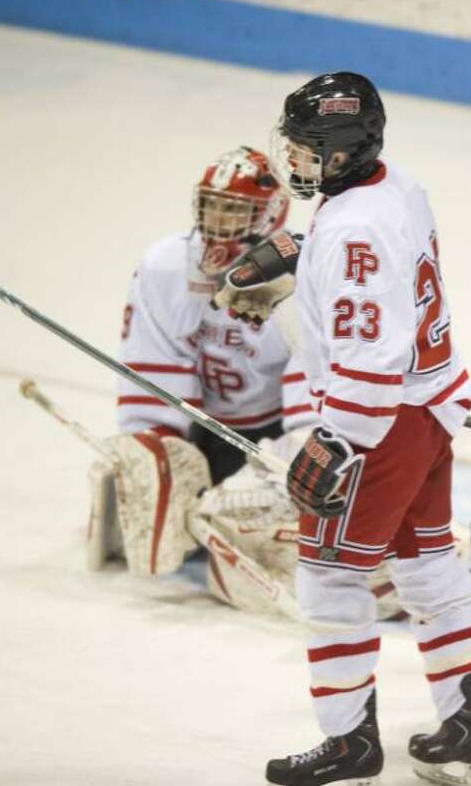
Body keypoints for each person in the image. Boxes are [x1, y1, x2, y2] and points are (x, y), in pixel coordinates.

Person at [244, 72, 471, 786]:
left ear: (343, 152)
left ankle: (350, 742)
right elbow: (369, 281)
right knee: (426, 565)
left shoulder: (354, 229)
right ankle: (464, 723)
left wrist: (339, 438)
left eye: (306, 150)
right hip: (429, 406)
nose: (293, 161)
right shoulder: (392, 188)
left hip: (381, 421)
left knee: (328, 577)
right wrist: (297, 258)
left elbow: (371, 346)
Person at [90, 146, 315, 578]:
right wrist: (156, 447)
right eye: (212, 206)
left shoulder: (297, 274)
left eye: (235, 211)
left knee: (293, 516)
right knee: (149, 473)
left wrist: (299, 449)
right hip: (203, 430)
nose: (218, 221)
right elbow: (151, 360)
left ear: (270, 216)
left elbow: (311, 366)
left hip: (272, 434)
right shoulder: (166, 267)